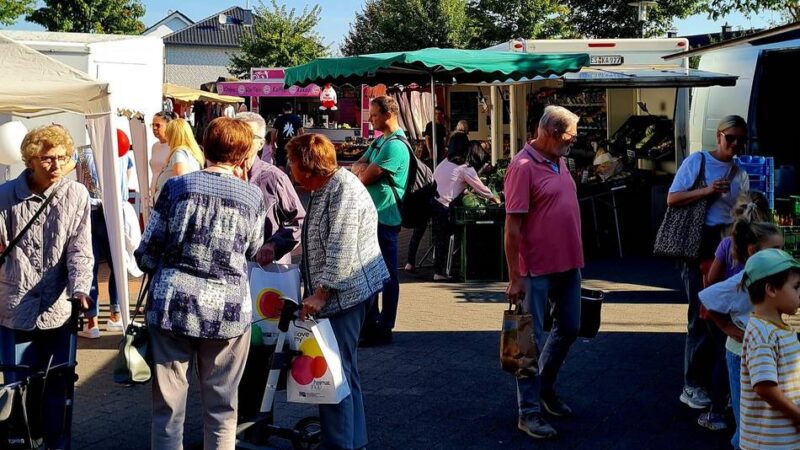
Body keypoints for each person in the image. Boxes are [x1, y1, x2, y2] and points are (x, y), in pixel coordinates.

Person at [135, 117, 268, 450]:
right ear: (242, 154)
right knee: (223, 407)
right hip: (229, 309)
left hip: (172, 305)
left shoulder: (177, 188)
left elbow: (147, 251)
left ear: (206, 146)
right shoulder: (253, 196)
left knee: (168, 408)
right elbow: (252, 249)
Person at [285, 133, 389, 450]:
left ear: (308, 168)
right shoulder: (327, 187)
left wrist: (321, 294)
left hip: (347, 295)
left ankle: (340, 443)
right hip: (348, 292)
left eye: (292, 163)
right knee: (343, 370)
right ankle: (353, 441)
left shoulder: (341, 189)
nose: (290, 169)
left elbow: (341, 249)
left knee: (333, 377)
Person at [0, 124, 94, 449]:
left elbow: (81, 249)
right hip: (14, 308)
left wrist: (81, 288)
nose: (56, 165)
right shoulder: (5, 197)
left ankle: (57, 444)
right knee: (17, 389)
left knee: (59, 387)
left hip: (59, 309)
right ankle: (21, 443)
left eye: (61, 157)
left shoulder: (75, 194)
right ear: (30, 160)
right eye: (47, 159)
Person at [504, 105, 582, 439]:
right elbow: (512, 228)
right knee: (528, 341)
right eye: (569, 136)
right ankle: (529, 412)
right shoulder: (523, 167)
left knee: (571, 327)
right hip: (535, 268)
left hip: (568, 264)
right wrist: (514, 277)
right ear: (549, 132)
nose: (572, 142)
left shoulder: (559, 160)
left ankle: (545, 388)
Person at [667, 115, 750, 411]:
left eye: (741, 139)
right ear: (719, 136)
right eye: (731, 138)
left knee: (726, 311)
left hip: (726, 243)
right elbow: (672, 198)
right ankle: (692, 385)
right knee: (701, 314)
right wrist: (707, 190)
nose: (735, 144)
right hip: (697, 242)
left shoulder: (740, 172)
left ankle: (720, 384)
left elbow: (739, 213)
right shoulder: (698, 161)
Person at [700, 219, 782, 445]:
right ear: (753, 251)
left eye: (782, 249)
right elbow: (708, 296)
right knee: (746, 419)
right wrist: (725, 326)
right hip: (740, 353)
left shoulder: (772, 278)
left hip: (761, 352)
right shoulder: (745, 279)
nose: (780, 255)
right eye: (775, 250)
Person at [351, 95, 410, 346]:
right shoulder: (379, 142)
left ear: (388, 115)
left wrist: (362, 171)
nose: (371, 119)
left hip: (385, 217)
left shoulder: (394, 146)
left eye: (374, 115)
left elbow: (364, 176)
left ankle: (384, 326)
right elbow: (359, 165)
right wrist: (361, 169)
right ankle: (372, 322)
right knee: (371, 272)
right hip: (372, 217)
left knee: (386, 275)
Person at [65, 142, 134, 338]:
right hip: (114, 210)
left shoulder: (82, 151)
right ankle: (115, 315)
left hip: (92, 211)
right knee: (117, 265)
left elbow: (65, 169)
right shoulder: (118, 147)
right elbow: (127, 174)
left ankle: (92, 321)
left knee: (90, 265)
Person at [739, 249, 800, 450]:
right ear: (771, 289)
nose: (799, 293)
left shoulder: (778, 329)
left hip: (783, 438)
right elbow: (764, 387)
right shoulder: (762, 334)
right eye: (796, 287)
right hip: (768, 443)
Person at [236, 111, 306, 265]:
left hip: (267, 271)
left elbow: (298, 221)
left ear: (261, 143)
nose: (240, 140)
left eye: (248, 135)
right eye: (235, 133)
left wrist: (274, 245)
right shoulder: (222, 175)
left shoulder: (275, 178)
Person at [431, 136, 499, 281]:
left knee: (440, 238)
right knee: (445, 237)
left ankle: (440, 269)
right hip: (443, 205)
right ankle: (440, 272)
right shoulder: (465, 168)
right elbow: (481, 188)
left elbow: (450, 182)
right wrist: (495, 199)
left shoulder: (446, 162)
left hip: (434, 200)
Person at [153, 117, 204, 202]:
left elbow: (179, 179)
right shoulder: (192, 153)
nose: (166, 137)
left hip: (170, 206)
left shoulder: (179, 153)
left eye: (168, 134)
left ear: (174, 135)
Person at [149, 111, 176, 203]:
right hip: (154, 194)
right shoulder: (155, 146)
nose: (154, 128)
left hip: (167, 194)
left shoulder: (174, 146)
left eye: (158, 125)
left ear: (168, 126)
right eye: (152, 125)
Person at [271, 102, 304, 170]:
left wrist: (272, 144)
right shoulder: (297, 118)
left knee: (281, 164)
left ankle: (282, 179)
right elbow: (302, 132)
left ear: (283, 109)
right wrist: (302, 144)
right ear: (291, 109)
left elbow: (273, 132)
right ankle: (291, 179)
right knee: (293, 164)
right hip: (293, 145)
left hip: (281, 145)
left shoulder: (279, 119)